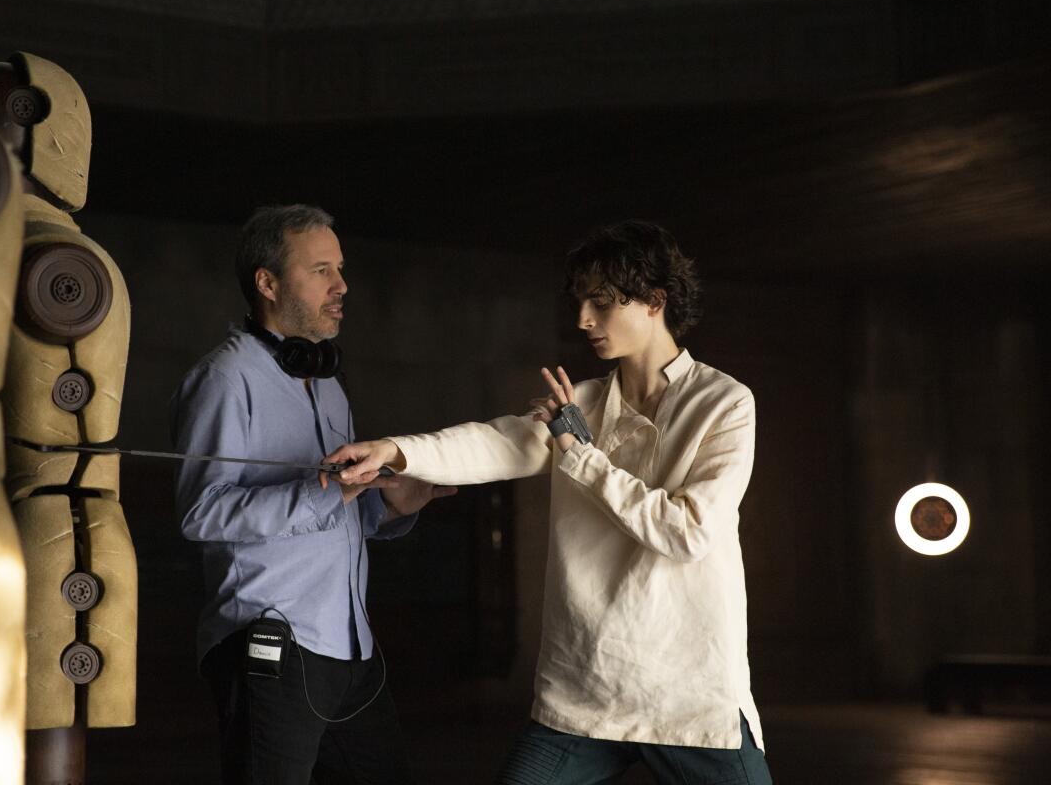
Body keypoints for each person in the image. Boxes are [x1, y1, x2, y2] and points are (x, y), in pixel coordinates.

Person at [327, 221, 773, 784]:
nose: (584, 318)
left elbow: (687, 532)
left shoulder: (724, 402)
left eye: (603, 302)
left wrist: (579, 451)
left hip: (688, 691)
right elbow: (495, 442)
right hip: (586, 687)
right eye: (581, 301)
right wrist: (393, 451)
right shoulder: (582, 403)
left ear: (656, 301)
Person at [170, 204, 454, 785]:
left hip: (348, 646)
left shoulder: (326, 383)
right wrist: (327, 494)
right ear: (267, 283)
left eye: (340, 269)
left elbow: (334, 509)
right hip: (271, 643)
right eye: (321, 270)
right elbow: (202, 513)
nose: (342, 286)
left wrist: (390, 505)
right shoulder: (226, 379)